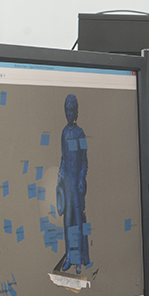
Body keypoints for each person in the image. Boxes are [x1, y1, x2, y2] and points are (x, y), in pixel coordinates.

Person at [56, 94, 89, 274]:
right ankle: (69, 255)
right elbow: (63, 158)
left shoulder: (80, 134)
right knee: (67, 222)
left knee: (78, 221)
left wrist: (81, 178)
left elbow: (85, 162)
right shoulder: (64, 133)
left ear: (76, 112)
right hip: (67, 185)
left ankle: (79, 258)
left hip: (77, 185)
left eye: (71, 110)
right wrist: (60, 176)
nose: (69, 114)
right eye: (66, 110)